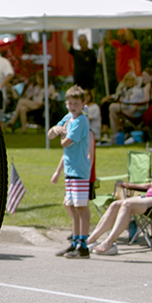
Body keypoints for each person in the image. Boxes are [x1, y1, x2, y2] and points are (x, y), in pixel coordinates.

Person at [87, 137, 152, 255]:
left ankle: (109, 243)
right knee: (115, 204)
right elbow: (151, 184)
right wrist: (128, 185)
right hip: (151, 197)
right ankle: (90, 240)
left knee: (127, 204)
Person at [50, 85, 91, 258]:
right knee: (71, 206)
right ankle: (74, 241)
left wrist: (61, 131)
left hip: (79, 169)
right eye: (69, 103)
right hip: (69, 169)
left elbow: (65, 142)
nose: (72, 106)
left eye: (76, 103)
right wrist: (56, 129)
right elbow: (50, 134)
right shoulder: (69, 118)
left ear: (83, 104)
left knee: (81, 207)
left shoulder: (81, 121)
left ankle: (83, 245)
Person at [106, 71, 148, 144]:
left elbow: (138, 102)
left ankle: (116, 132)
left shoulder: (137, 90)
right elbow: (116, 96)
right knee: (110, 107)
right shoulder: (124, 90)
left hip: (134, 111)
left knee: (112, 107)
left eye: (131, 80)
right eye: (127, 80)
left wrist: (134, 107)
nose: (129, 82)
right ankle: (117, 132)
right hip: (126, 108)